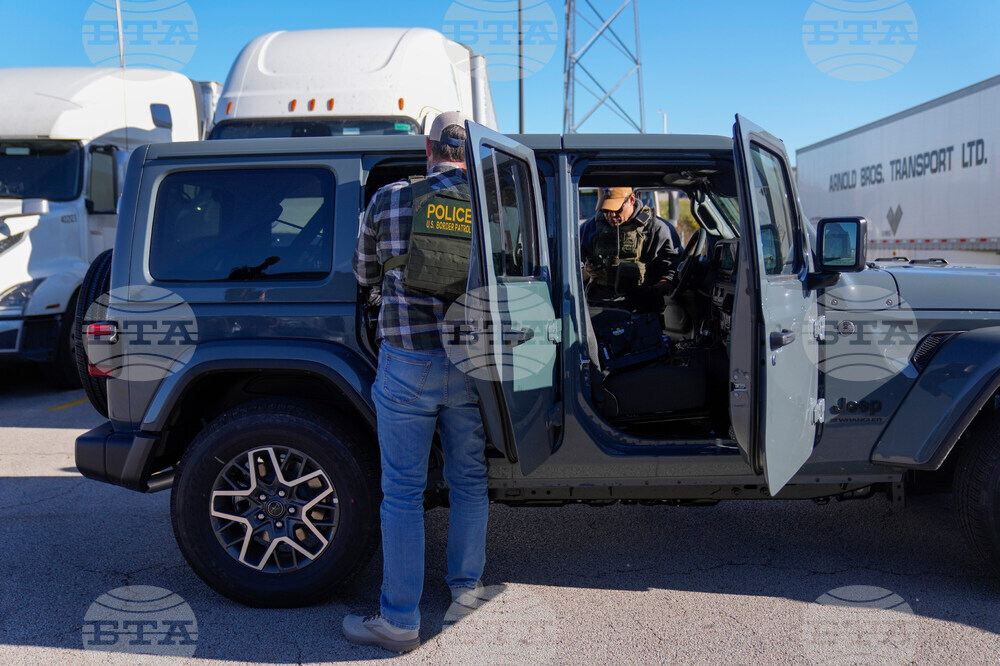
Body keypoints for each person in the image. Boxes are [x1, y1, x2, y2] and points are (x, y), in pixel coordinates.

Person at [345, 111, 488, 653]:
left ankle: (399, 620)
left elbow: (363, 274)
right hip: (472, 364)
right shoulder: (491, 203)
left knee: (402, 493)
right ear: (468, 150)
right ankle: (465, 595)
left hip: (408, 363)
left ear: (428, 147)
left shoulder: (389, 198)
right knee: (469, 482)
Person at [580, 187, 680, 308]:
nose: (611, 215)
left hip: (643, 309)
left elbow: (674, 272)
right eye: (605, 210)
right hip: (599, 306)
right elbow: (572, 272)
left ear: (632, 199)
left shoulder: (657, 229)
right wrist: (587, 272)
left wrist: (652, 291)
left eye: (617, 209)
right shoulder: (589, 228)